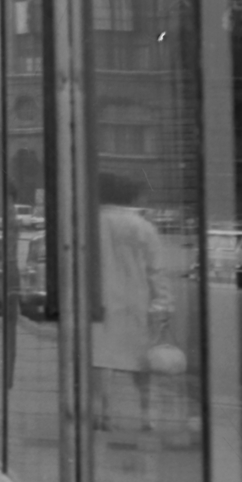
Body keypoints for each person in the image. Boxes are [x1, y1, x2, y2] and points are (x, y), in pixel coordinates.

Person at [92, 171, 171, 429]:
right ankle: (146, 415)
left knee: (103, 358)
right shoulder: (143, 227)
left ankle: (104, 414)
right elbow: (156, 271)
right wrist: (162, 304)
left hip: (101, 302)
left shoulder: (92, 223)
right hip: (137, 302)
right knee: (141, 361)